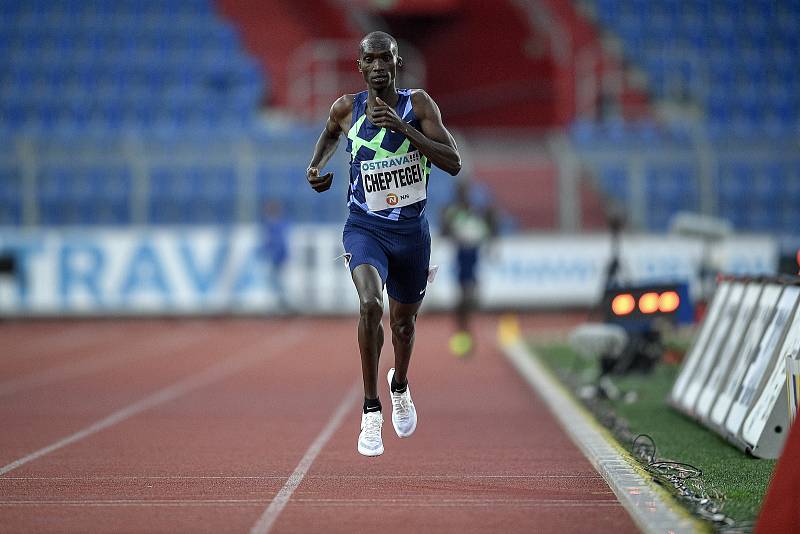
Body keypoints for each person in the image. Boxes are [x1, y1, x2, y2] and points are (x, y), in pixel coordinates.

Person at [306, 31, 461, 456]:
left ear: (397, 64)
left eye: (385, 59)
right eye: (369, 60)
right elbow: (328, 136)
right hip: (365, 229)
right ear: (360, 66)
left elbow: (453, 162)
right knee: (371, 305)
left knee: (403, 326)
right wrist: (315, 167)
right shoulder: (345, 108)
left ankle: (400, 384)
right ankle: (370, 410)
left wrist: (405, 130)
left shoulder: (419, 105)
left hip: (411, 235)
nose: (377, 67)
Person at [440, 180, 497, 358]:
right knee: (465, 293)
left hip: (472, 254)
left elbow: (486, 228)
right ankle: (463, 328)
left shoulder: (473, 210)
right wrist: (453, 230)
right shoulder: (453, 211)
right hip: (462, 256)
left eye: (466, 191)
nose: (464, 194)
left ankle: (464, 327)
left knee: (468, 293)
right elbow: (446, 230)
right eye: (461, 191)